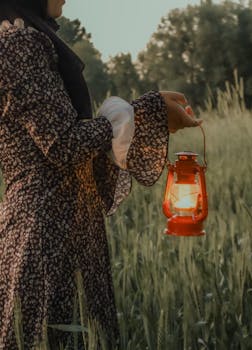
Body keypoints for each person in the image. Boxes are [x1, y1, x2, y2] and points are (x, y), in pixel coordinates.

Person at [0, 0, 201, 348]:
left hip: (62, 227)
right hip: (45, 236)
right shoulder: (18, 45)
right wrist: (144, 113)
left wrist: (143, 109)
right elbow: (63, 145)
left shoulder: (25, 39)